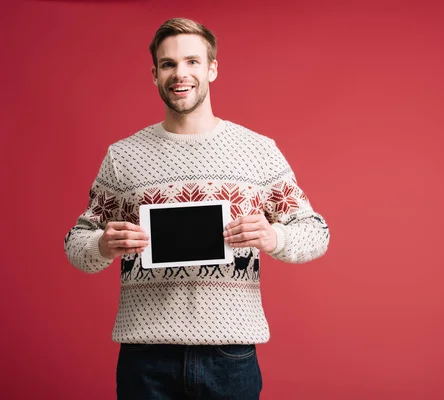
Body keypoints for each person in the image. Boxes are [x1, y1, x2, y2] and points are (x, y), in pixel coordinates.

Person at [64, 17, 330, 400]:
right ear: (154, 73)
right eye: (168, 64)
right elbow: (77, 243)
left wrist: (275, 236)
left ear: (212, 68)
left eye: (192, 61)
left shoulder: (258, 151)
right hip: (145, 356)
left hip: (230, 355)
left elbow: (316, 231)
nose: (179, 74)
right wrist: (102, 245)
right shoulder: (123, 157)